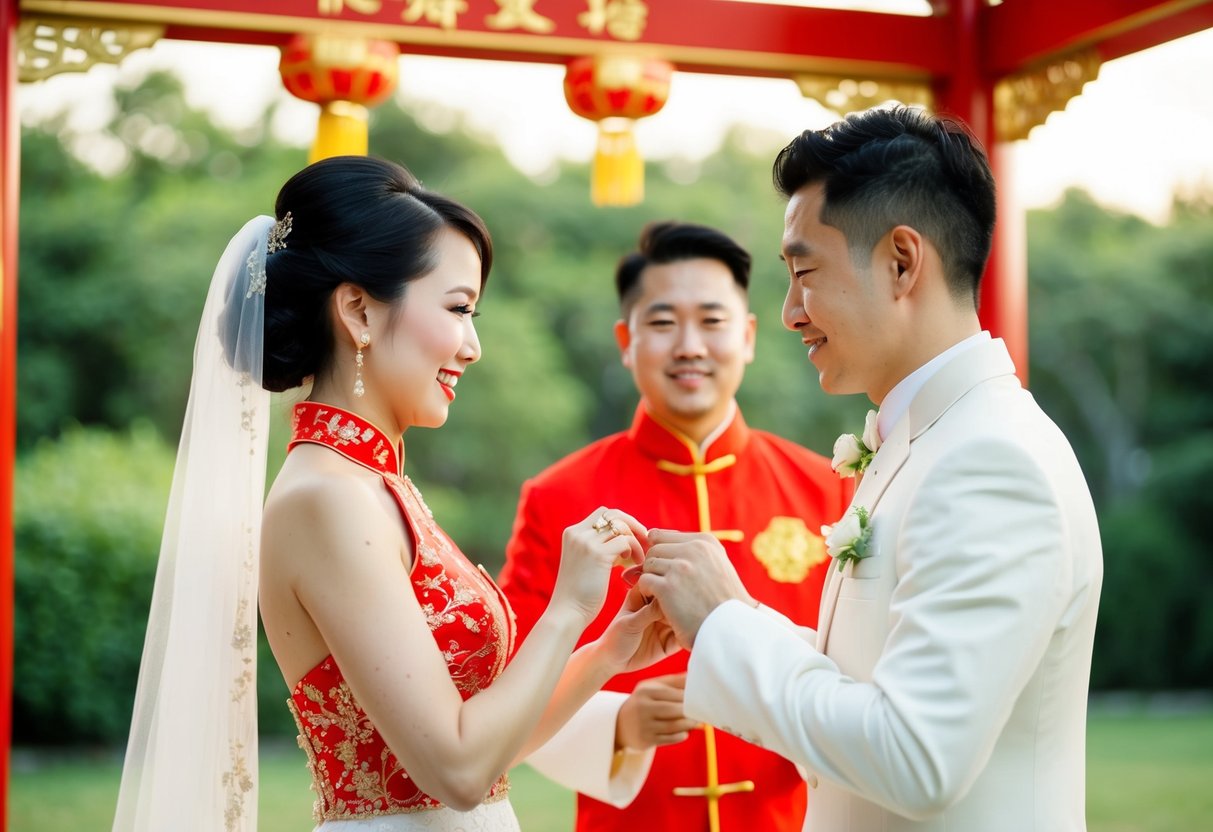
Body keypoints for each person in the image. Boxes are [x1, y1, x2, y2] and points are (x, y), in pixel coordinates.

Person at [111, 156, 678, 832]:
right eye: (458, 308)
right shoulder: (327, 499)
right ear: (358, 311)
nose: (472, 346)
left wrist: (608, 649)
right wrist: (567, 605)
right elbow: (457, 773)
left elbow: (485, 755)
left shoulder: (372, 486)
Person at [637, 106, 1104, 831]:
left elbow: (915, 757)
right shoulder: (931, 439)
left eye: (804, 272)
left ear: (900, 261)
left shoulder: (989, 460)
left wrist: (726, 625)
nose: (790, 311)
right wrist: (723, 617)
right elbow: (874, 677)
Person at [498, 221, 849, 832]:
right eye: (662, 323)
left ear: (747, 337)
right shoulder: (559, 498)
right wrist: (616, 725)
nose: (689, 345)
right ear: (625, 341)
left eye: (713, 322)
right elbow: (507, 688)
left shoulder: (830, 488)